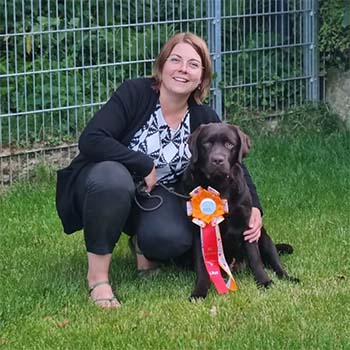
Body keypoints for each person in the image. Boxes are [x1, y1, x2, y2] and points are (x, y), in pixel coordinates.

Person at [55, 32, 263, 309]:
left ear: (201, 77)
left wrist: (256, 208)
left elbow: (236, 166)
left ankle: (142, 242)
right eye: (175, 60)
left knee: (174, 239)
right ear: (162, 65)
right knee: (113, 179)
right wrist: (143, 163)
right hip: (104, 188)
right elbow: (91, 139)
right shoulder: (134, 93)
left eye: (192, 64)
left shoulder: (203, 118)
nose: (182, 69)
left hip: (155, 198)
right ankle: (99, 277)